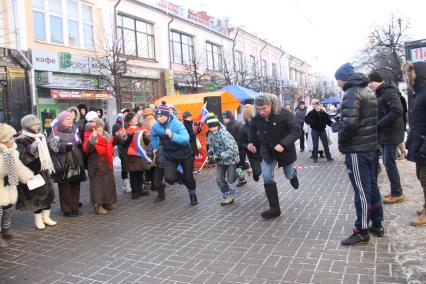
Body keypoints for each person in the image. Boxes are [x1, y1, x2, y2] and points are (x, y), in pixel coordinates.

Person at [334, 63, 383, 245]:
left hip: (357, 149)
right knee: (371, 186)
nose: (337, 83)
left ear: (343, 78)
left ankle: (361, 230)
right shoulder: (368, 91)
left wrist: (342, 142)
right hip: (370, 147)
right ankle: (377, 224)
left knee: (361, 191)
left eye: (338, 79)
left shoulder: (351, 93)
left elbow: (351, 125)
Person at [247, 93, 302, 219]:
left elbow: (296, 130)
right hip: (267, 150)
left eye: (264, 108)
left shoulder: (284, 114)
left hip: (284, 150)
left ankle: (293, 174)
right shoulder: (256, 117)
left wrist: (283, 144)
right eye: (259, 109)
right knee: (267, 176)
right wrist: (251, 142)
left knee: (288, 175)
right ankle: (274, 208)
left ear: (271, 105)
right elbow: (252, 129)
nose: (261, 112)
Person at [150, 102, 198, 205]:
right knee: (169, 178)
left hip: (185, 154)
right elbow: (153, 136)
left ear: (167, 115)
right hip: (170, 155)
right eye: (157, 116)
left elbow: (186, 139)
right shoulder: (155, 126)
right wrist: (155, 147)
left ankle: (192, 193)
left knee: (189, 177)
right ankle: (181, 177)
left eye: (161, 116)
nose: (159, 119)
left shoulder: (177, 124)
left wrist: (172, 136)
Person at [368, 71, 405, 204]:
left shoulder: (388, 91)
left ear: (376, 81)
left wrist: (379, 123)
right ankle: (396, 190)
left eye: (370, 83)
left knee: (389, 163)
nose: (369, 85)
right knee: (388, 162)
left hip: (391, 133)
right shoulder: (382, 92)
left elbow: (397, 110)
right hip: (386, 133)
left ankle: (397, 193)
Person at [15, 115, 57, 230]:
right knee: (36, 198)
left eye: (38, 124)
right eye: (34, 125)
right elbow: (22, 158)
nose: (37, 126)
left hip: (44, 170)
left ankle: (47, 218)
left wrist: (51, 146)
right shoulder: (21, 139)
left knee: (48, 195)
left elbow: (47, 153)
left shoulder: (41, 135)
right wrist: (31, 150)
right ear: (27, 126)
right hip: (33, 172)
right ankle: (38, 220)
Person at [0, 123, 34, 248]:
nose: (11, 140)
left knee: (8, 209)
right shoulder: (4, 154)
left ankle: (6, 229)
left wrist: (28, 176)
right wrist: (6, 158)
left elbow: (19, 167)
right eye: (9, 138)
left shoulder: (12, 152)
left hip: (9, 186)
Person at [48, 111, 86, 217]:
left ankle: (75, 208)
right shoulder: (56, 130)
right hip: (63, 162)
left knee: (75, 185)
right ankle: (67, 209)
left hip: (76, 160)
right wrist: (64, 147)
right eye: (67, 119)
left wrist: (79, 143)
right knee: (65, 187)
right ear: (61, 120)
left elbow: (79, 141)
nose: (70, 121)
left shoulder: (75, 129)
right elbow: (52, 145)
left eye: (71, 119)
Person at [402, 61, 426, 226]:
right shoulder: (419, 92)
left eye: (409, 74)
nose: (408, 78)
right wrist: (410, 142)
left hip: (424, 145)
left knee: (425, 178)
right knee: (420, 176)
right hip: (419, 143)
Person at [83, 118, 119, 215]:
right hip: (96, 164)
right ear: (93, 128)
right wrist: (93, 139)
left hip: (107, 162)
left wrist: (119, 137)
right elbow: (87, 149)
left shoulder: (106, 135)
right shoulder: (89, 135)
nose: (100, 129)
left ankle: (108, 202)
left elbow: (112, 143)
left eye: (101, 126)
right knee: (98, 186)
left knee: (108, 183)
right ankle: (98, 205)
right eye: (98, 127)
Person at [206, 113, 242, 206]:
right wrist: (210, 154)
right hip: (220, 160)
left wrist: (218, 156)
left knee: (231, 179)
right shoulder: (210, 135)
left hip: (231, 159)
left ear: (218, 126)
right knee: (219, 179)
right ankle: (229, 196)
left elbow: (232, 150)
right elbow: (211, 147)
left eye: (214, 127)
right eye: (210, 127)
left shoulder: (224, 134)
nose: (212, 129)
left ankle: (241, 171)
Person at [120, 112, 152, 199]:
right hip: (131, 156)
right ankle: (134, 192)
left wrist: (144, 135)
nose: (136, 119)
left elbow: (148, 142)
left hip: (140, 155)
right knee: (133, 174)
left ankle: (139, 190)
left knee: (140, 173)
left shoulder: (141, 128)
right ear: (130, 121)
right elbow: (122, 143)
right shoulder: (125, 130)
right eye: (134, 118)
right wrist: (126, 137)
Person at [238, 104, 262, 181]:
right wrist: (247, 146)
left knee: (267, 174)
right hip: (252, 154)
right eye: (249, 117)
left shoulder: (261, 124)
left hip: (264, 152)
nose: (251, 119)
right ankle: (255, 174)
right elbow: (240, 142)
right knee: (257, 172)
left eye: (252, 117)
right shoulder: (243, 128)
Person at [222, 110, 246, 186]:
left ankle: (242, 178)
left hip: (240, 149)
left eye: (225, 118)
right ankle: (242, 177)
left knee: (239, 165)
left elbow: (243, 137)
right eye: (223, 118)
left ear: (229, 117)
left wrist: (239, 146)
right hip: (231, 150)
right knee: (236, 165)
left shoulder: (238, 124)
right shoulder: (224, 126)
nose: (224, 120)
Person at [112, 109, 130, 192]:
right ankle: (125, 183)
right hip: (121, 149)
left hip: (128, 148)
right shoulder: (116, 126)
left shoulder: (127, 124)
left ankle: (130, 182)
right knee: (124, 167)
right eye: (124, 114)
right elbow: (115, 138)